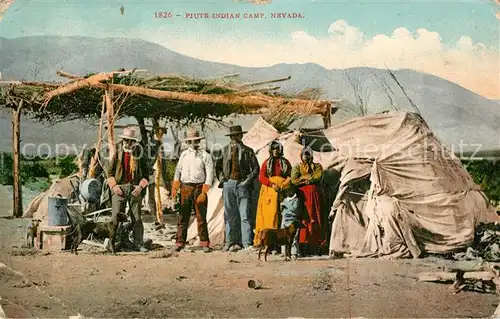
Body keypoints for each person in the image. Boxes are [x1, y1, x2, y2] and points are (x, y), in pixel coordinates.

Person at [106, 126, 150, 252]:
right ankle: (114, 243)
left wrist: (140, 187)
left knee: (137, 217)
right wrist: (114, 186)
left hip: (134, 188)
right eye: (125, 140)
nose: (128, 143)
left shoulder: (140, 154)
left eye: (130, 141)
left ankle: (138, 244)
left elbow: (147, 175)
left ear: (134, 142)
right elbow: (109, 173)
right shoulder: (118, 153)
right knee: (115, 217)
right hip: (119, 188)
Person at [216, 125, 259, 252]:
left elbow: (256, 169)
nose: (234, 138)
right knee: (229, 215)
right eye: (232, 136)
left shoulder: (248, 151)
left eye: (236, 135)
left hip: (243, 185)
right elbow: (217, 168)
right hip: (228, 184)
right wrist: (223, 180)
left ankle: (246, 243)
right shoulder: (224, 150)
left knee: (244, 215)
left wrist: (247, 180)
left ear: (241, 136)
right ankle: (229, 242)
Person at [171, 127, 213, 253]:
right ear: (187, 142)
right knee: (183, 216)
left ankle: (204, 242)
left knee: (201, 216)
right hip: (185, 188)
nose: (192, 143)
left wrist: (205, 192)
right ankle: (180, 242)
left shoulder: (205, 155)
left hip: (199, 187)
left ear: (199, 141)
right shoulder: (183, 155)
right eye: (190, 141)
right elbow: (178, 171)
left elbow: (210, 174)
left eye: (195, 141)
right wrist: (175, 188)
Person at [253, 141, 292, 247]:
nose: (276, 151)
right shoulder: (267, 163)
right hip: (269, 192)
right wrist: (272, 184)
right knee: (269, 216)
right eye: (274, 149)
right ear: (271, 150)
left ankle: (279, 242)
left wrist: (284, 184)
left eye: (278, 149)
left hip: (282, 191)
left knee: (281, 215)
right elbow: (262, 177)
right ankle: (266, 241)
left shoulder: (286, 162)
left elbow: (290, 175)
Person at [291, 147, 325, 256]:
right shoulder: (297, 167)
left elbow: (318, 176)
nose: (306, 157)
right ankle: (303, 245)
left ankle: (315, 245)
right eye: (304, 155)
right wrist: (307, 178)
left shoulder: (317, 166)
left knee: (315, 217)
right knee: (304, 218)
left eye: (308, 154)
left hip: (315, 196)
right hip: (303, 196)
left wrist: (305, 178)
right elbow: (294, 179)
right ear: (301, 156)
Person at [279, 186, 302, 260]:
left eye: (290, 191)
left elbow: (294, 209)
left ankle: (294, 252)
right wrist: (282, 209)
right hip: (285, 219)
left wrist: (286, 205)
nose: (288, 193)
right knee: (283, 236)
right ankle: (284, 252)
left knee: (293, 237)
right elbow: (282, 211)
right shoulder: (285, 200)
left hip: (292, 220)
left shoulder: (296, 200)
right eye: (286, 191)